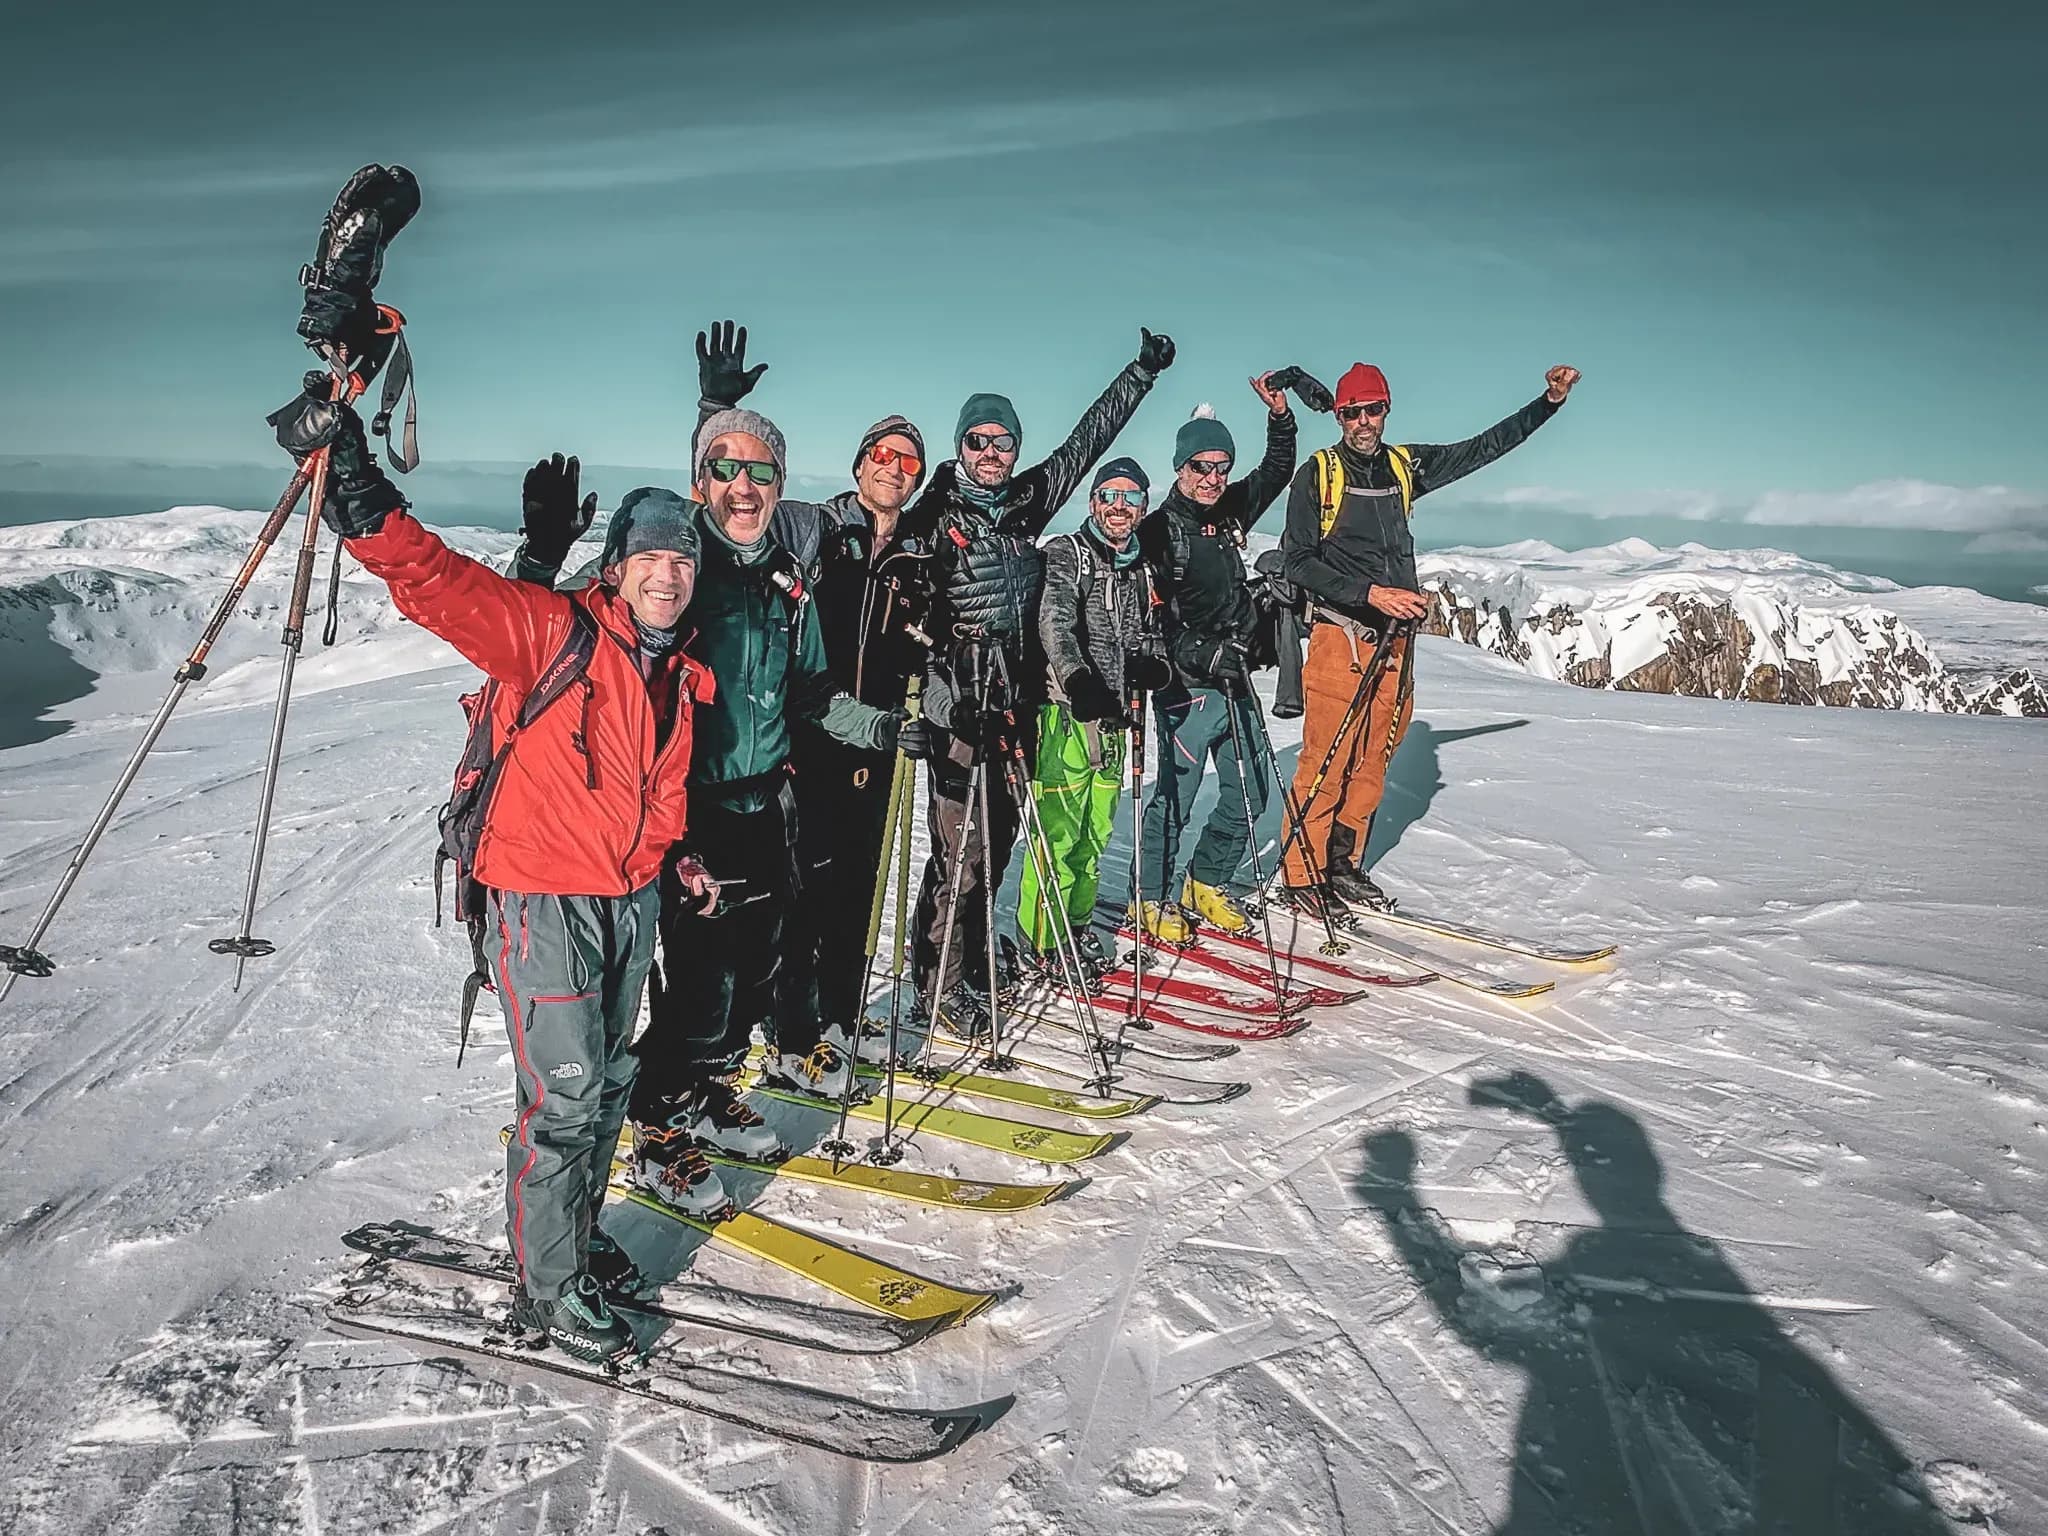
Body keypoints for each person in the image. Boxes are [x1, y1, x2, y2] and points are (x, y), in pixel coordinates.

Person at [269, 386, 714, 1363]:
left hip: (624, 906)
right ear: (619, 565)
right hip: (541, 903)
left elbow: (660, 793)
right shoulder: (556, 634)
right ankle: (548, 1289)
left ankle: (575, 1236)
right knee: (561, 1098)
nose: (668, 574)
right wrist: (349, 473)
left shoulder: (679, 675)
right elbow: (430, 580)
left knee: (606, 1085)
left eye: (683, 557)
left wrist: (671, 864)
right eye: (650, 555)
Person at [622, 407, 897, 1200]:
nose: (743, 487)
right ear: (701, 477)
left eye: (762, 471)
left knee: (757, 975)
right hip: (692, 814)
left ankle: (707, 1092)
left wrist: (882, 727)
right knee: (699, 986)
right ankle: (657, 1120)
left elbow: (810, 691)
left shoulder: (788, 579)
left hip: (770, 806)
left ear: (781, 483)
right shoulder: (679, 569)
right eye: (725, 468)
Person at [898, 328, 1175, 1034]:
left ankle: (967, 952)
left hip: (1016, 705)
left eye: (1003, 442)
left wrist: (1139, 374)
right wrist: (945, 709)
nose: (991, 454)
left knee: (1000, 843)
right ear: (959, 448)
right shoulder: (930, 521)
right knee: (959, 854)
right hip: (962, 711)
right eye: (977, 442)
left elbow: (1088, 441)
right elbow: (913, 638)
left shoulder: (1026, 502)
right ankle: (937, 980)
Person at [1276, 361, 1580, 914]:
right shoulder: (1318, 474)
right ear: (1340, 416)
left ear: (1386, 409)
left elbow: (1482, 448)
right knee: (1327, 758)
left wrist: (1548, 403)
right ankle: (1301, 876)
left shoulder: (1403, 465)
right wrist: (1371, 594)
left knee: (1373, 760)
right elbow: (1297, 562)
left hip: (1396, 643)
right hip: (1341, 638)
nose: (1364, 422)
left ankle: (1342, 865)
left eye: (1373, 409)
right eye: (1352, 413)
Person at [780, 414, 936, 1070]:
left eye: (909, 463)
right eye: (883, 454)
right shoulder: (815, 529)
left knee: (858, 893)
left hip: (878, 743)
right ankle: (793, 1032)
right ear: (860, 462)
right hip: (806, 738)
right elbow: (722, 515)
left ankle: (841, 1018)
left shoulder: (922, 554)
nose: (893, 468)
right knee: (801, 897)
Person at [1136, 370, 1303, 943]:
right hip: (1186, 688)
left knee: (1252, 792)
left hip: (1235, 679)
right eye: (1200, 467)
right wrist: (1204, 655)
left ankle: (1205, 881)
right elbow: (1152, 618)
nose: (1212, 478)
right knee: (1175, 798)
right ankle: (1150, 897)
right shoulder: (1157, 532)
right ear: (1180, 469)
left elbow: (1278, 470)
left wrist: (1279, 416)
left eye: (1220, 468)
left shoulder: (1230, 511)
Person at [1019, 456, 1169, 977]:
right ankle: (1042, 938)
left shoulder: (1140, 566)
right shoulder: (1068, 553)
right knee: (1058, 833)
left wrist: (1153, 663)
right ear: (1093, 501)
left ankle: (1076, 925)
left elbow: (1147, 632)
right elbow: (1054, 620)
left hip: (1117, 721)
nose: (1118, 506)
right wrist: (1077, 678)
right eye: (1109, 495)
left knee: (1096, 832)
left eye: (1130, 497)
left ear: (1143, 506)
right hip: (1068, 714)